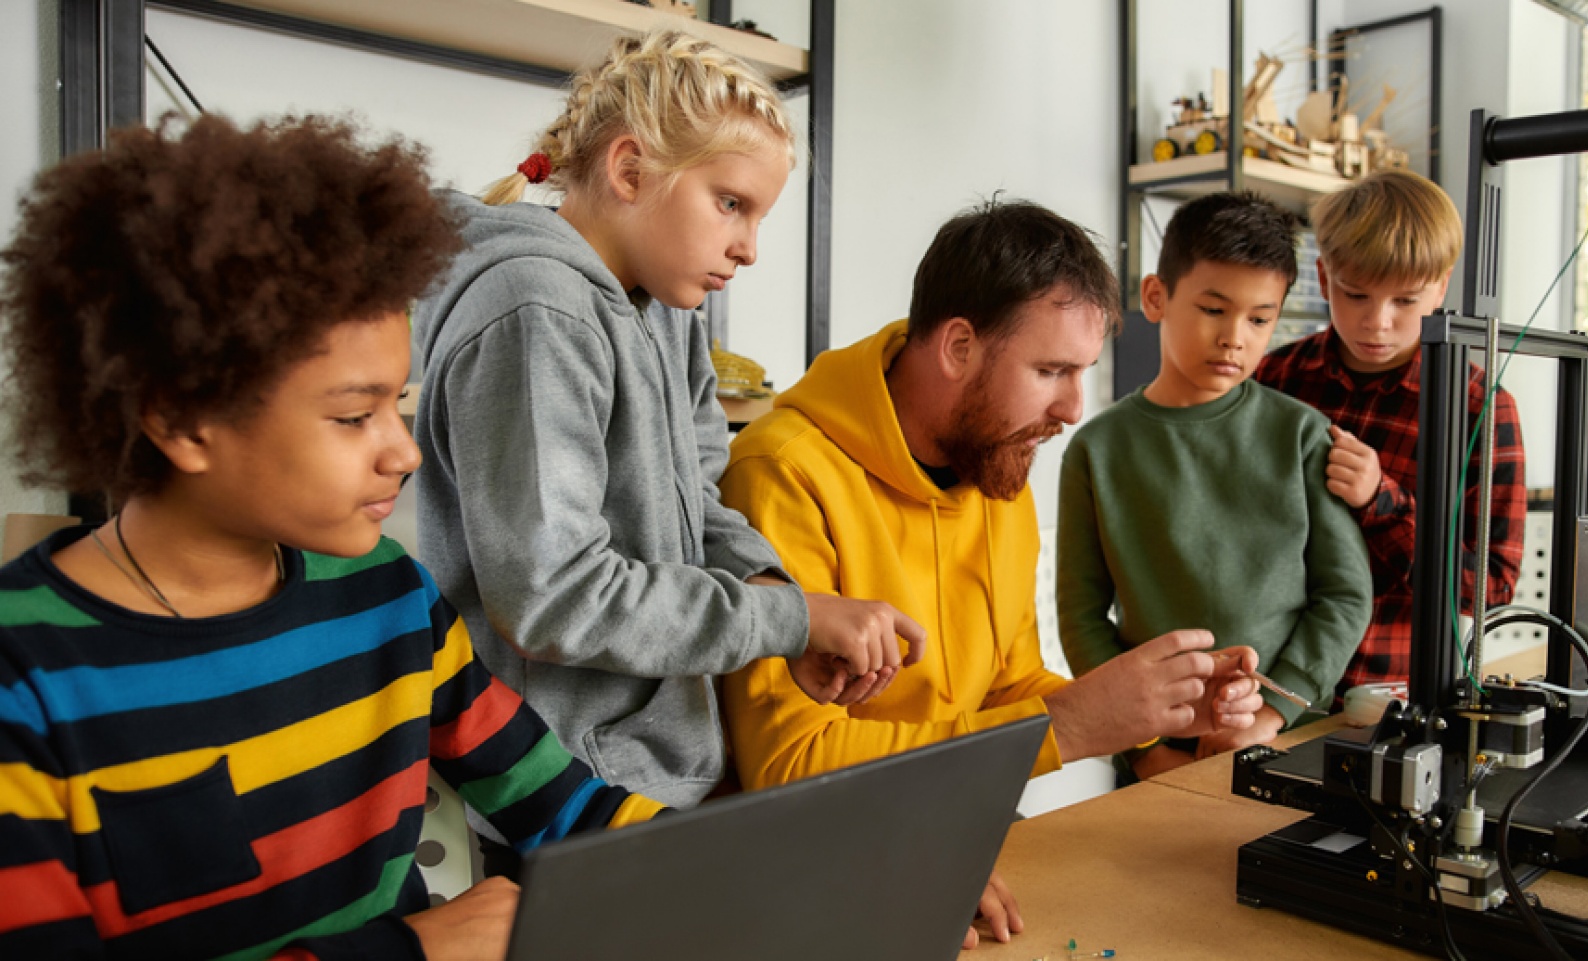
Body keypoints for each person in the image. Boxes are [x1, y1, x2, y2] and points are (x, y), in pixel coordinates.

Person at [0, 114, 664, 961]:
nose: (403, 450)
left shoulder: (387, 594)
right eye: (354, 415)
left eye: (397, 402)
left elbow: (564, 806)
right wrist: (414, 949)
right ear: (182, 420)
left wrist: (728, 860)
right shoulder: (27, 679)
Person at [719, 199, 1266, 949]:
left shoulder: (995, 462)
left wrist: (1149, 705)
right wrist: (1069, 725)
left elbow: (1006, 688)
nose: (1074, 408)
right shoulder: (783, 471)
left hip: (954, 828)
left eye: (1082, 373)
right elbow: (788, 767)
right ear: (958, 347)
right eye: (1050, 371)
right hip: (814, 849)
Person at [412, 29, 921, 833]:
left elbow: (699, 504)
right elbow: (554, 599)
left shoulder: (662, 307)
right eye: (731, 204)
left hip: (651, 771)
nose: (749, 248)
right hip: (550, 793)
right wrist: (791, 618)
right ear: (629, 169)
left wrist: (778, 603)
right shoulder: (536, 311)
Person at [1057, 191, 1372, 782]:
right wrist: (1143, 744)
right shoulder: (1097, 450)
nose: (1235, 337)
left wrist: (1271, 715)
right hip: (1155, 756)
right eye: (1213, 309)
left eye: (1259, 319)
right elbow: (1080, 615)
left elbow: (1346, 595)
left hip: (1284, 745)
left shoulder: (1303, 435)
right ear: (1157, 297)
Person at [1253, 169, 1526, 697]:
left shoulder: (1479, 409)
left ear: (1442, 285)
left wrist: (1384, 504)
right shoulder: (1276, 377)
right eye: (1355, 295)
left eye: (1405, 301)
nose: (1377, 322)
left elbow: (1490, 589)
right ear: (1324, 278)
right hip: (1267, 684)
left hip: (1389, 699)